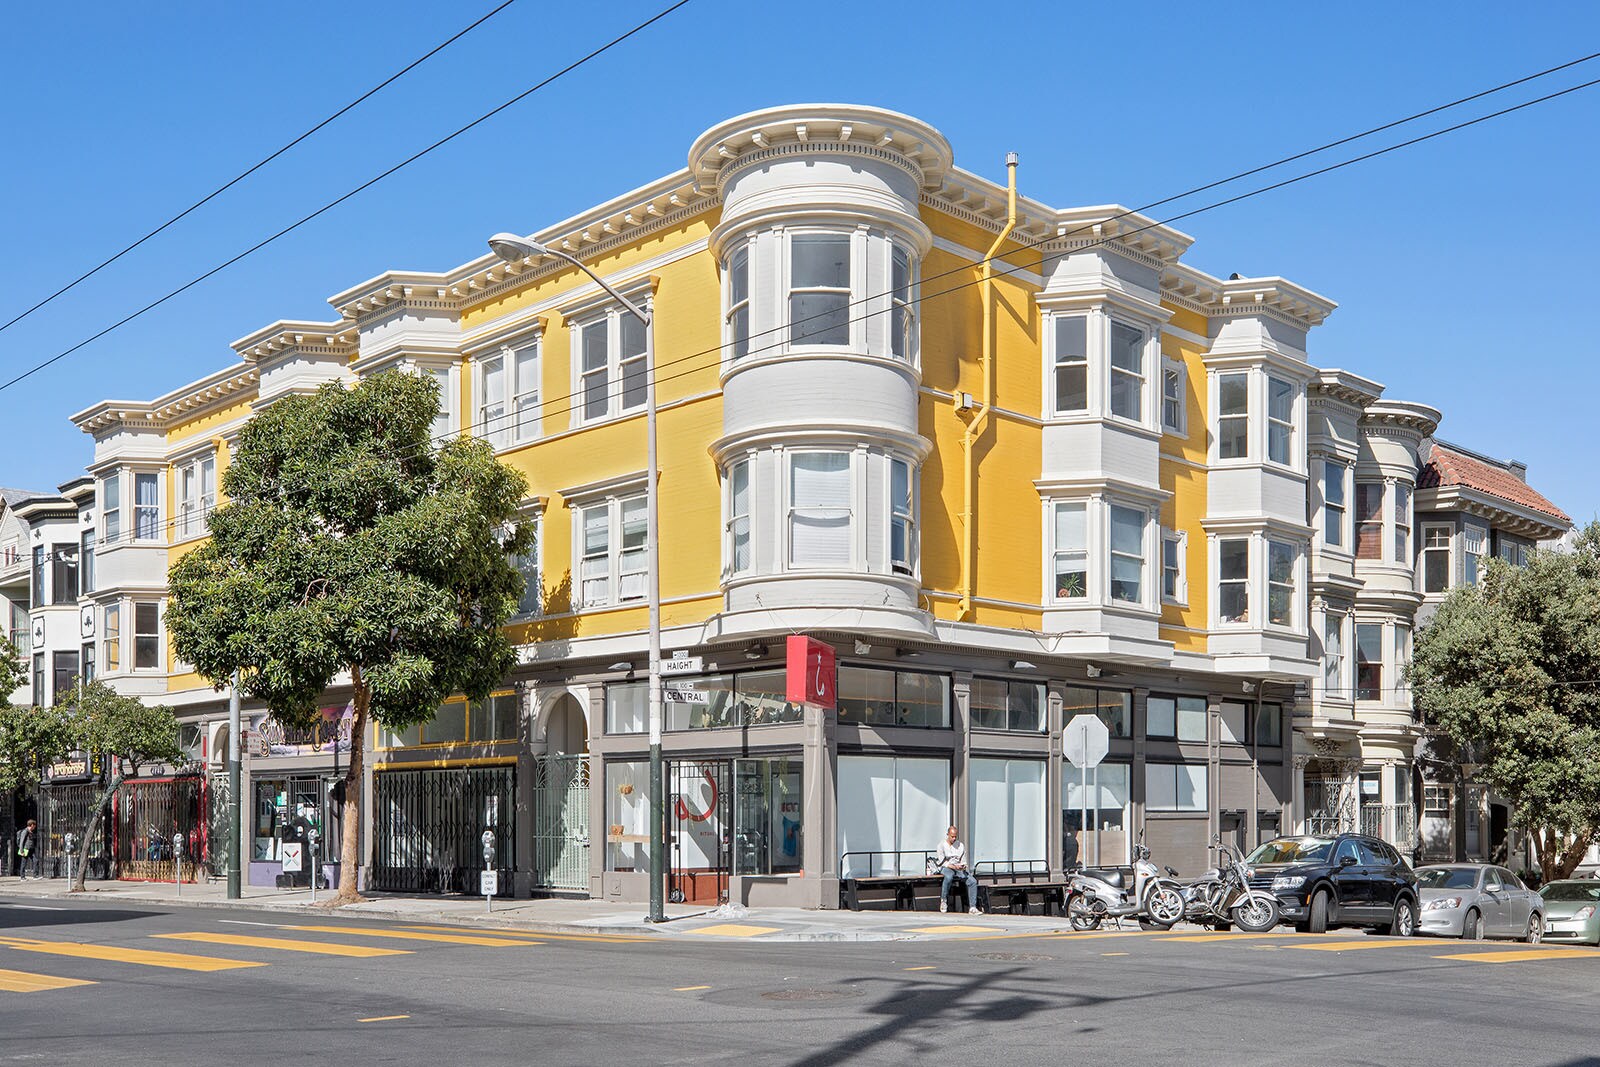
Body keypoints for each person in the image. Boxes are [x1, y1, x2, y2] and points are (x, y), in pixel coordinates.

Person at [935, 825, 980, 914]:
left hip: (957, 867)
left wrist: (962, 866)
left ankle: (972, 907)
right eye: (952, 836)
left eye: (955, 836)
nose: (954, 838)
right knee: (948, 877)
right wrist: (953, 866)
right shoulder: (941, 845)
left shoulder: (960, 845)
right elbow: (942, 862)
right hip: (946, 867)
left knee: (972, 881)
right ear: (948, 834)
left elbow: (963, 860)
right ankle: (943, 900)